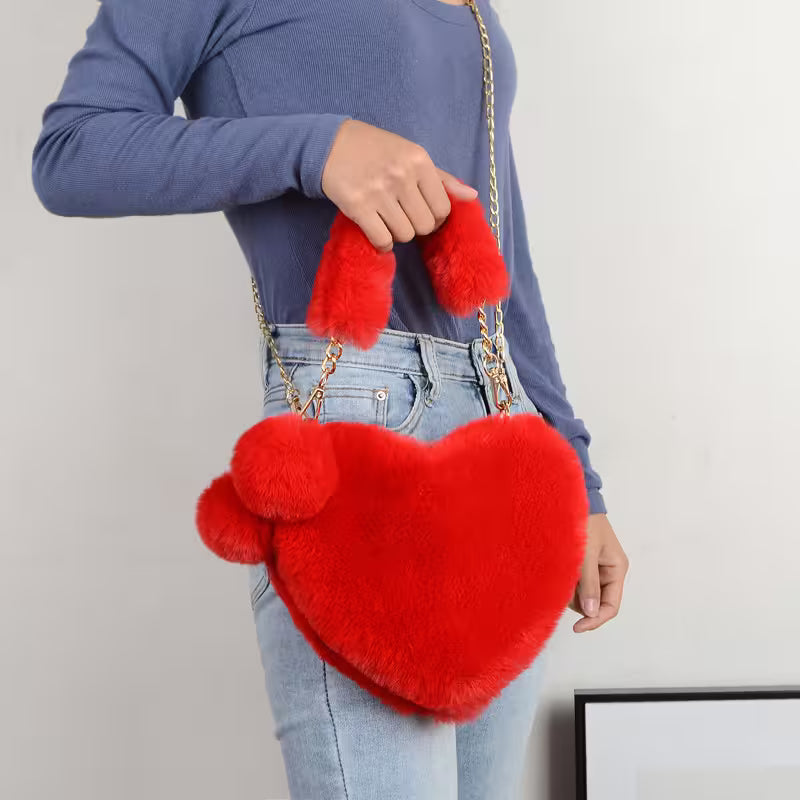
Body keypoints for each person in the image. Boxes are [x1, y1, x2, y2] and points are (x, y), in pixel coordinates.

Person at [31, 0, 629, 796]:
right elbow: (74, 151)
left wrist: (577, 471)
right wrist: (319, 147)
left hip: (505, 440)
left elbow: (499, 241)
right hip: (357, 417)